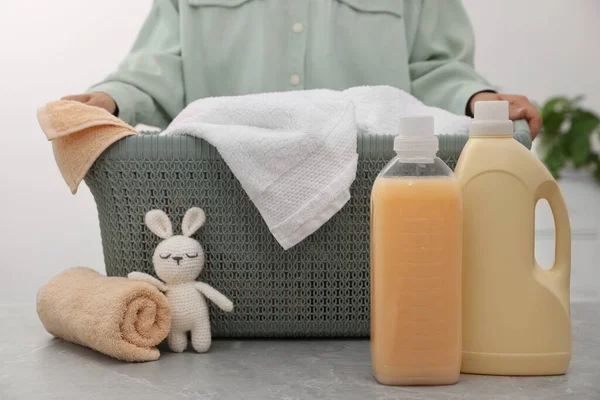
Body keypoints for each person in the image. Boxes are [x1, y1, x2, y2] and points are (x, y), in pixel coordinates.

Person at [62, 0, 542, 137]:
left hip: (375, 208)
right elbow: (162, 64)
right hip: (222, 209)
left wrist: (478, 100)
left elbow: (437, 68)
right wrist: (112, 97)